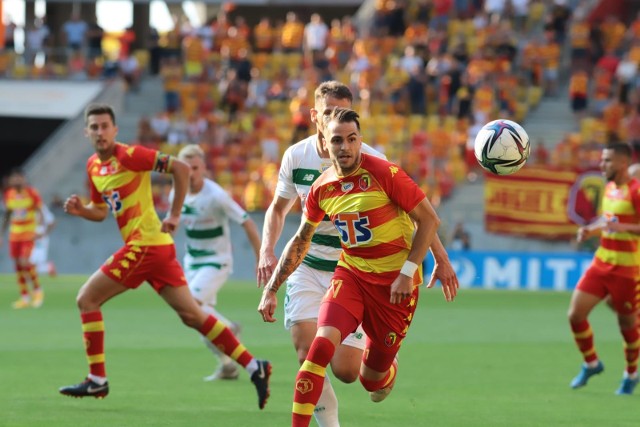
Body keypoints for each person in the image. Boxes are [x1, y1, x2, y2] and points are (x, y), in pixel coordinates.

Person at [258, 80, 457, 427]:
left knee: (357, 375)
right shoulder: (308, 171)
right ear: (316, 118)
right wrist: (272, 282)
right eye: (335, 131)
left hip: (391, 281)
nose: (344, 143)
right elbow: (298, 233)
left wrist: (431, 261)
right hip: (344, 272)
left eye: (351, 137)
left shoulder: (380, 167)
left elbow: (423, 216)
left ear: (359, 137)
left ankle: (383, 372)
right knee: (313, 350)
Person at [58, 104, 271, 410]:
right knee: (194, 316)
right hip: (155, 249)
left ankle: (97, 378)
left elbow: (180, 168)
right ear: (87, 132)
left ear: (115, 130)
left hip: (145, 245)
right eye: (94, 127)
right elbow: (102, 211)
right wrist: (82, 211)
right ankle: (254, 367)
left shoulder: (130, 155)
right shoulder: (93, 166)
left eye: (105, 126)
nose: (100, 132)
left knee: (86, 299)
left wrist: (173, 214)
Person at [257, 81, 386, 427]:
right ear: (315, 115)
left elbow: (408, 211)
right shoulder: (296, 156)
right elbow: (278, 208)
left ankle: (384, 359)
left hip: (353, 270)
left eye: (342, 112)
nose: (335, 119)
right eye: (328, 112)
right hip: (308, 265)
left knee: (345, 370)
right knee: (307, 351)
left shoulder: (372, 159)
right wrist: (266, 251)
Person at [172, 144, 262, 381]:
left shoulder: (216, 196)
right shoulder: (176, 193)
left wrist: (260, 258)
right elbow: (171, 226)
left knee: (191, 307)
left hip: (216, 262)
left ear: (203, 168)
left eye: (195, 168)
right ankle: (227, 365)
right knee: (200, 318)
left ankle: (229, 329)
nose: (190, 173)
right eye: (185, 168)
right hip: (192, 263)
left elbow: (247, 222)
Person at [569, 143, 640, 395]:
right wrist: (591, 229)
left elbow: (626, 225)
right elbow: (609, 220)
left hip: (627, 271)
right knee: (575, 314)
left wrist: (626, 229)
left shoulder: (635, 191)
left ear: (622, 163)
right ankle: (592, 363)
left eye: (607, 161)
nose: (601, 165)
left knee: (627, 325)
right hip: (601, 263)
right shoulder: (610, 188)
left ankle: (631, 374)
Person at [1, 169, 46, 308]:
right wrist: (1, 234)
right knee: (18, 265)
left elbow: (40, 212)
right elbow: (8, 215)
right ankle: (25, 296)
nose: (14, 181)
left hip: (28, 233)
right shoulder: (9, 194)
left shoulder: (32, 193)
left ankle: (38, 291)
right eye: (12, 179)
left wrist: (39, 229)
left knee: (25, 262)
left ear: (23, 179)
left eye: (17, 178)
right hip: (14, 234)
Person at [30, 202, 57, 277]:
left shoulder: (42, 208)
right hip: (32, 236)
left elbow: (52, 222)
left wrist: (44, 234)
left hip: (40, 238)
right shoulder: (28, 206)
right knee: (32, 262)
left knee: (34, 261)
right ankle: (48, 268)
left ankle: (48, 268)